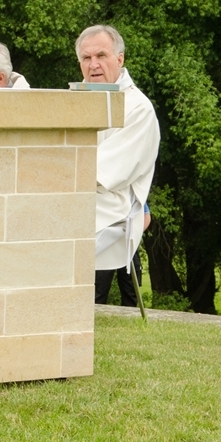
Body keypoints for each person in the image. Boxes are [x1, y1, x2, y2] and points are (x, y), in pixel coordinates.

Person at [79, 24, 159, 306]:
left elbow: (99, 173)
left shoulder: (138, 109)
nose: (94, 65)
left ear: (120, 59)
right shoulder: (77, 100)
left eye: (101, 55)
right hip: (74, 193)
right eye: (86, 59)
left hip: (112, 207)